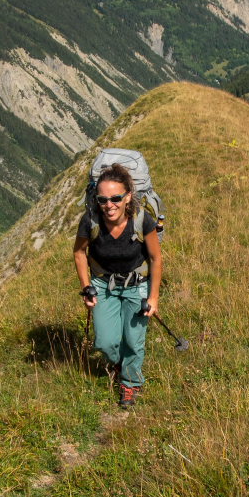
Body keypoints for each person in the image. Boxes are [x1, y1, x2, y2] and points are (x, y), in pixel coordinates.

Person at [73, 163, 162, 407]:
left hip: (137, 285)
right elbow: (79, 253)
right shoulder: (90, 220)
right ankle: (121, 364)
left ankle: (131, 383)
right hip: (103, 286)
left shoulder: (142, 220)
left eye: (115, 198)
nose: (109, 205)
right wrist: (85, 288)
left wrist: (153, 298)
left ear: (128, 197)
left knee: (134, 341)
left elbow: (155, 258)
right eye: (103, 199)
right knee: (104, 342)